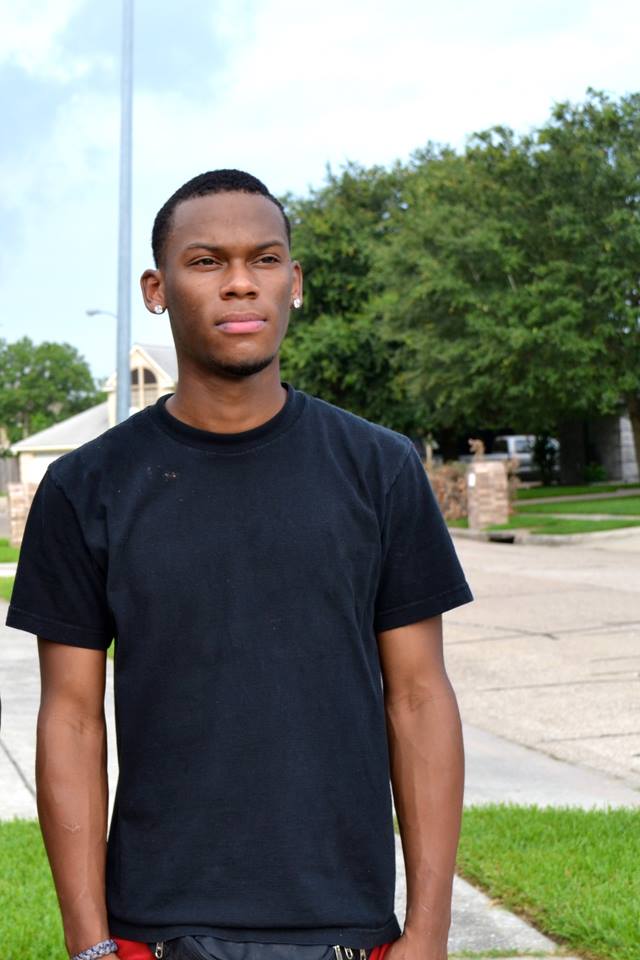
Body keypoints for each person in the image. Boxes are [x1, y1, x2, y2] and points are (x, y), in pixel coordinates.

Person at [7, 170, 473, 960]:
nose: (238, 284)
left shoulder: (380, 470)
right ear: (157, 288)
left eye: (263, 259)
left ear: (294, 282)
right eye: (205, 262)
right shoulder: (85, 487)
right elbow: (73, 720)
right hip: (157, 929)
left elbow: (420, 699)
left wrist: (428, 929)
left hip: (344, 925)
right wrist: (89, 943)